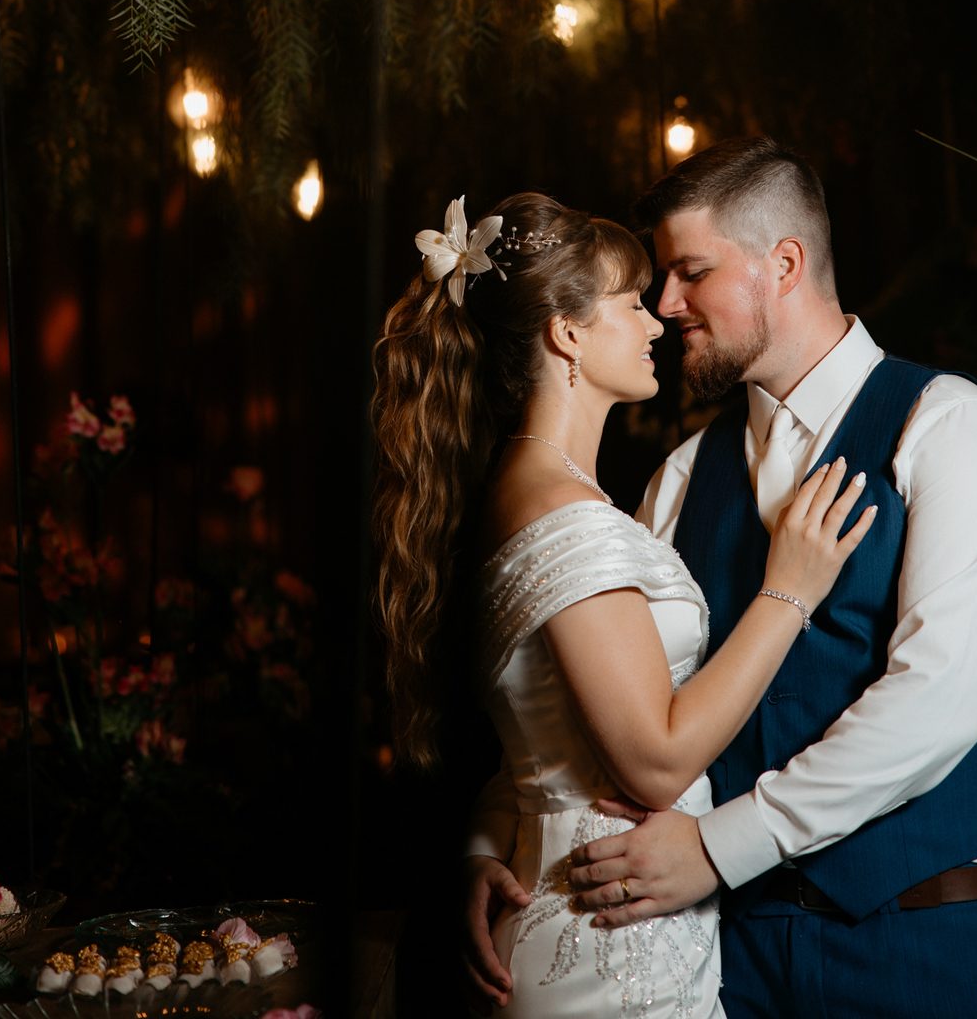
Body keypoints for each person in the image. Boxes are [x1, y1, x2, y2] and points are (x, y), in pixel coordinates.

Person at [465, 139, 977, 1019]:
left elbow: (936, 702)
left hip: (933, 939)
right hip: (732, 963)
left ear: (783, 265)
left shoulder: (951, 428)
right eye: (660, 280)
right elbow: (596, 690)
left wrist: (718, 847)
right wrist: (498, 835)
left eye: (692, 273)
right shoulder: (678, 479)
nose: (666, 305)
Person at [371, 190, 876, 1018]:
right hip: (606, 944)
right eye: (632, 303)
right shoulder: (564, 512)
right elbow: (656, 763)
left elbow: (539, 739)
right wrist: (789, 589)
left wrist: (482, 841)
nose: (656, 323)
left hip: (594, 915)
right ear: (566, 334)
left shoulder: (528, 492)